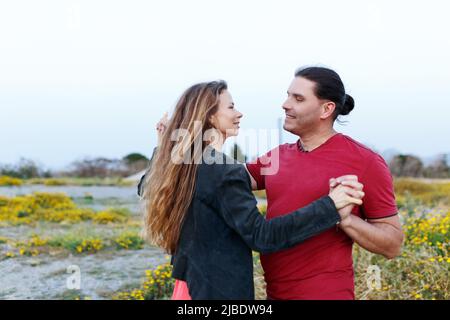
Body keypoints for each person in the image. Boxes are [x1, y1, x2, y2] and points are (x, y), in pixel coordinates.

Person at [138, 80, 365, 300]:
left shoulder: (186, 164)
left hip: (188, 287)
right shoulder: (223, 170)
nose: (239, 113)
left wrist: (162, 147)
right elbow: (261, 236)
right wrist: (330, 205)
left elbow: (146, 187)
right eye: (231, 107)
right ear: (209, 115)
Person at [246, 66, 404, 300]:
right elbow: (225, 180)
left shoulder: (365, 161)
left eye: (298, 98)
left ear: (326, 109)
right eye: (288, 95)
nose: (285, 104)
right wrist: (179, 144)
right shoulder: (277, 156)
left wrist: (345, 219)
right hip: (274, 294)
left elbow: (393, 245)